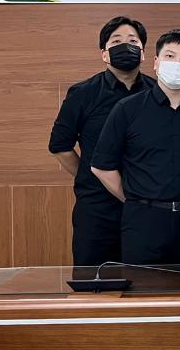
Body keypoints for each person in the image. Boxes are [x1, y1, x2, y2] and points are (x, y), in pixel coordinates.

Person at [91, 29, 180, 264]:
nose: (177, 64)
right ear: (155, 62)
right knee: (142, 285)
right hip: (142, 221)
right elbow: (101, 166)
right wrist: (134, 199)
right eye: (170, 56)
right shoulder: (127, 109)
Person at [48, 16, 155, 266]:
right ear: (104, 54)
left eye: (133, 41)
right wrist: (89, 175)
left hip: (145, 207)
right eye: (116, 41)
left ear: (143, 53)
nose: (125, 46)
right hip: (97, 209)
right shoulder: (83, 93)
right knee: (93, 280)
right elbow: (60, 146)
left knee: (146, 280)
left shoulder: (157, 93)